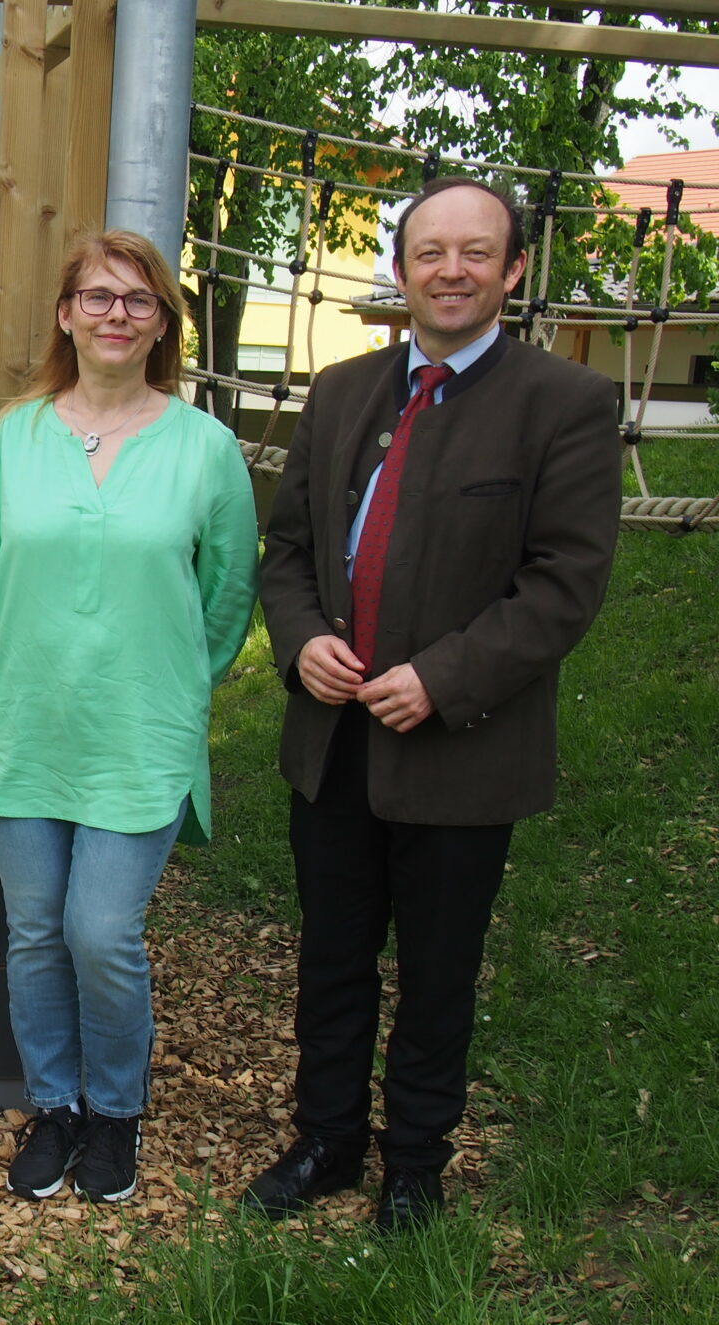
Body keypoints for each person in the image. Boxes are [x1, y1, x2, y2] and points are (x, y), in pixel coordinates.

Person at [245, 178, 621, 1231]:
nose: (449, 270)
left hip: (461, 747)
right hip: (332, 741)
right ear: (401, 269)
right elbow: (288, 555)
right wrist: (303, 638)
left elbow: (564, 583)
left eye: (475, 253)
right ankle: (326, 1142)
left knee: (437, 971)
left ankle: (415, 1163)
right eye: (429, 252)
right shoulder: (340, 392)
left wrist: (446, 677)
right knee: (331, 955)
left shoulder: (567, 405)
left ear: (513, 272)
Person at [0, 229, 260, 1205]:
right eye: (98, 297)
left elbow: (230, 594)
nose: (117, 314)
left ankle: (115, 1115)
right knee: (34, 932)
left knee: (100, 932)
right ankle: (55, 1105)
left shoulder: (205, 451)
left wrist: (173, 685)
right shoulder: (10, 439)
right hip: (19, 729)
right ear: (67, 314)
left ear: (163, 324)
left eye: (139, 300)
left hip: (139, 738)